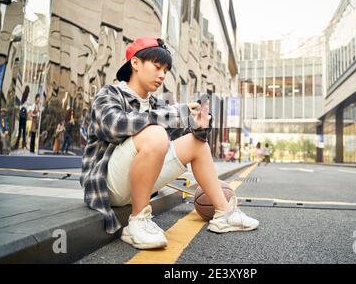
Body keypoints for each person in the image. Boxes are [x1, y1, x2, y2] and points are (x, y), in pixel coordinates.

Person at [80, 37, 258, 249]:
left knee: (196, 144)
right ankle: (138, 221)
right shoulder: (110, 94)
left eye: (166, 70)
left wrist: (199, 125)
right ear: (135, 64)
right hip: (108, 185)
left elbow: (186, 136)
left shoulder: (156, 104)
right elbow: (115, 126)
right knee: (156, 133)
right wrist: (175, 113)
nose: (162, 75)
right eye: (157, 66)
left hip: (139, 184)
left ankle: (224, 214)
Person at [14, 85, 30, 149]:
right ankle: (23, 145)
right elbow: (27, 107)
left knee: (20, 129)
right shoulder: (27, 97)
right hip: (25, 114)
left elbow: (20, 105)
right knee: (24, 130)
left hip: (21, 114)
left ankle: (17, 145)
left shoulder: (22, 96)